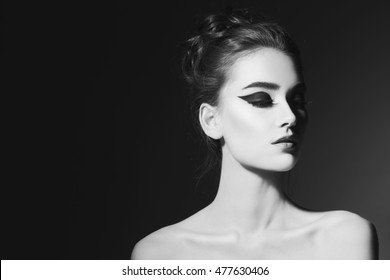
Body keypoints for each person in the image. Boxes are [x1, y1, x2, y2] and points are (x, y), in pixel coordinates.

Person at [131, 8, 378, 259]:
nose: (290, 116)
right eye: (261, 100)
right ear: (211, 120)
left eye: (297, 99)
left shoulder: (343, 238)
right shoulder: (160, 253)